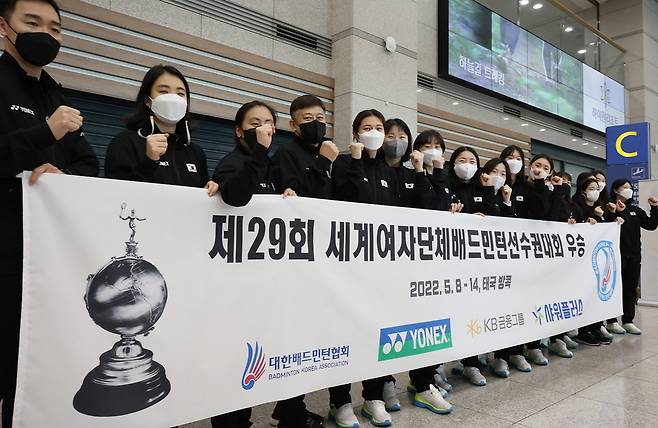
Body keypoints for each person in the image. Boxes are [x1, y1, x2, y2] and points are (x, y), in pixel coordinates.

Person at [0, 1, 99, 426]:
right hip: (6, 256)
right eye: (33, 23)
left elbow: (88, 164)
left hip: (53, 262)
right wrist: (46, 133)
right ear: (5, 26)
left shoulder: (58, 96)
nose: (46, 34)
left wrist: (60, 174)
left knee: (43, 372)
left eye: (56, 28)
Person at [210, 101, 301, 428]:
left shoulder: (273, 165)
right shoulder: (232, 162)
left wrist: (288, 193)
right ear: (239, 130)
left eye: (268, 123)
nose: (264, 128)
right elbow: (235, 196)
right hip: (235, 283)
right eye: (255, 123)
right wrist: (258, 154)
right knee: (234, 358)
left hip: (271, 280)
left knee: (265, 352)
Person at [330, 109, 401, 427]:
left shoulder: (388, 168)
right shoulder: (344, 162)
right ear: (356, 133)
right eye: (368, 127)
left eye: (380, 128)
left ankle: (372, 397)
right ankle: (339, 400)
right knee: (343, 331)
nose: (375, 132)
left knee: (377, 331)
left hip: (382, 267)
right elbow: (347, 198)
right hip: (349, 263)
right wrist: (357, 161)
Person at [105, 64, 215, 192]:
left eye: (180, 93)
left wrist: (212, 190)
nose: (174, 98)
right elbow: (116, 196)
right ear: (147, 100)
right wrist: (149, 161)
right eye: (163, 91)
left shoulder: (195, 152)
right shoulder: (125, 142)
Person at [447, 146, 498, 386]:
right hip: (450, 261)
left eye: (471, 160)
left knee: (473, 314)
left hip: (477, 264)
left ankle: (471, 363)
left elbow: (494, 216)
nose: (466, 164)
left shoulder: (481, 187)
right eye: (461, 160)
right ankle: (437, 367)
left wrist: (488, 189)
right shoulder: (445, 184)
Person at [605, 180, 658, 335]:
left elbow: (651, 225)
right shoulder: (609, 207)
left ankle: (628, 320)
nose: (628, 190)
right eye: (624, 187)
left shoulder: (635, 210)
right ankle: (612, 321)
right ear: (615, 190)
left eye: (630, 187)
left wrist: (654, 208)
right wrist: (616, 212)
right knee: (613, 288)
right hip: (614, 255)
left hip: (634, 255)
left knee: (630, 288)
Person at [271, 94, 338, 199]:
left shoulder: (330, 151)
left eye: (320, 117)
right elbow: (291, 196)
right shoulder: (285, 154)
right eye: (307, 118)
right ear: (293, 125)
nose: (315, 122)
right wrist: (322, 162)